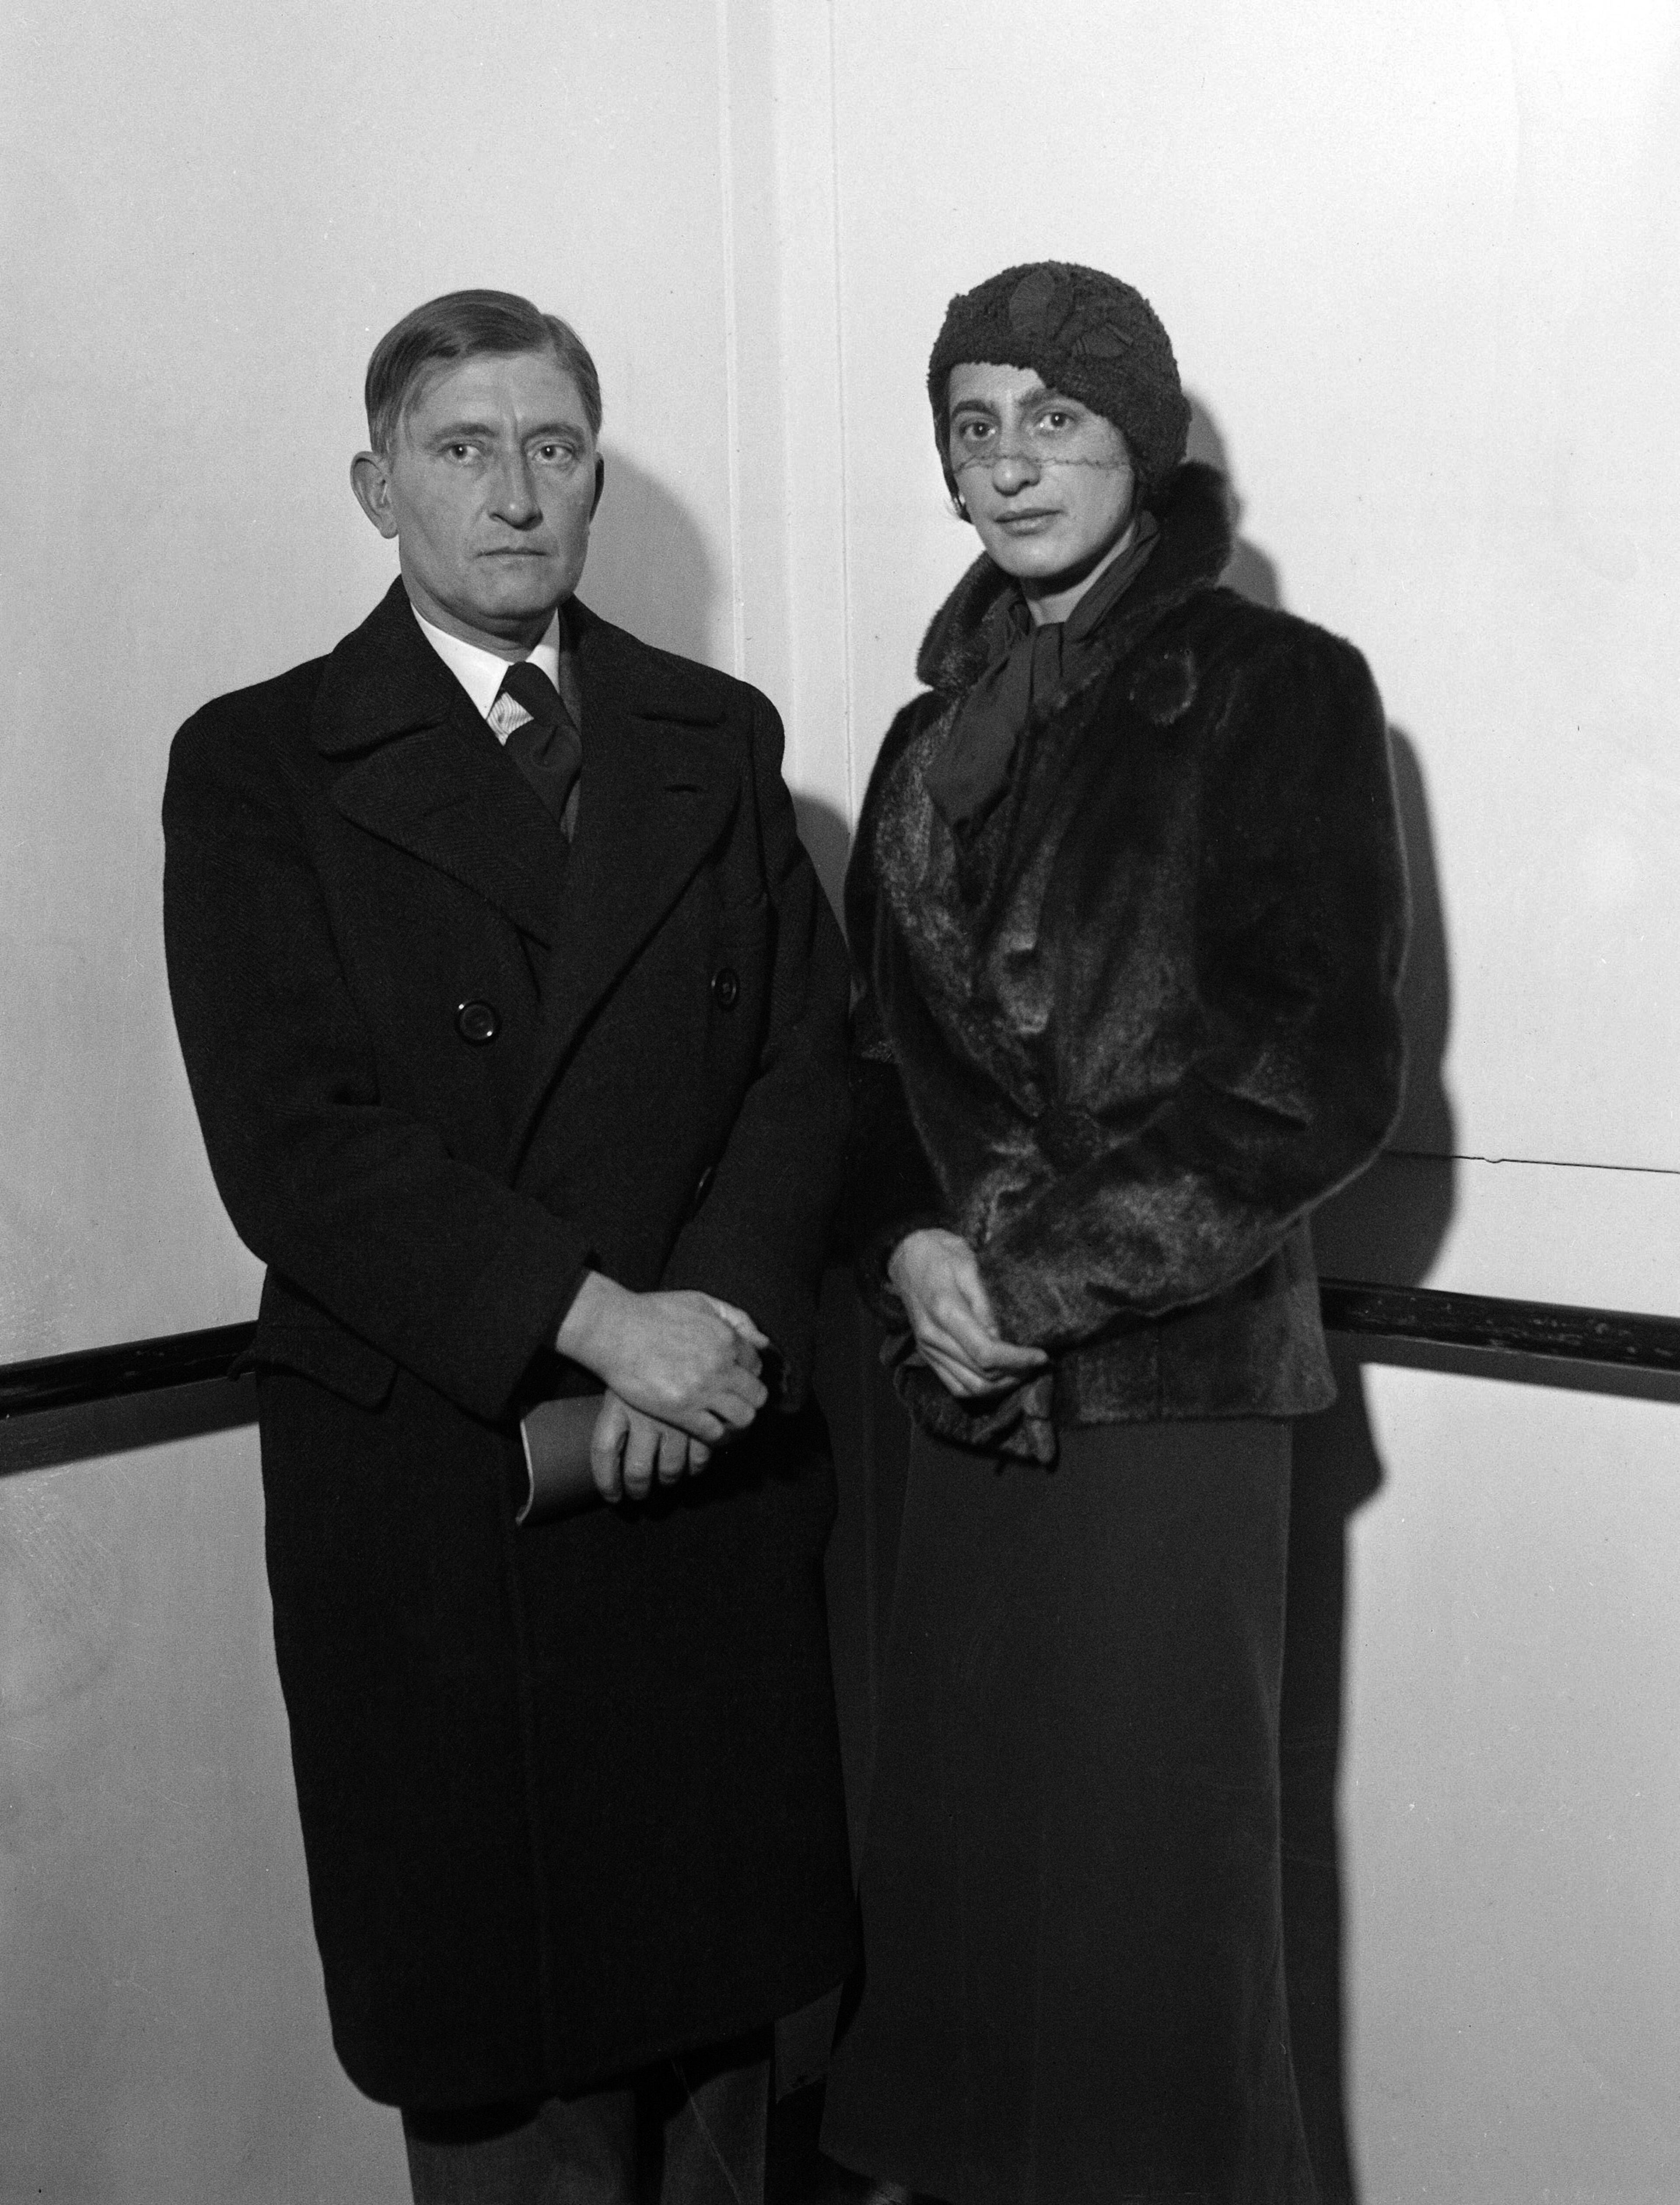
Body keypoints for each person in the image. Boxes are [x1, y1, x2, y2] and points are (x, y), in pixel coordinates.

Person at [162, 289, 855, 2205]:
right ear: (377, 487)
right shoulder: (260, 766)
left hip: (701, 1460)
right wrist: (594, 1321)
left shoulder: (714, 740)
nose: (515, 492)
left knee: (726, 2062)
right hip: (442, 1490)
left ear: (598, 477)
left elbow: (811, 1063)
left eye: (554, 448)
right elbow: (295, 1146)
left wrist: (707, 1324)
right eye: (464, 450)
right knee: (508, 2075)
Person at [818, 262, 1408, 2205]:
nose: (1009, 464)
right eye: (973, 426)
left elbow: (1312, 1078)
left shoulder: (1279, 689)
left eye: (1053, 420)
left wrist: (1028, 1279)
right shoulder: (928, 743)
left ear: (1139, 444)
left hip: (1166, 1393)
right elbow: (870, 1062)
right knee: (976, 1905)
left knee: (1153, 1924)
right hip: (956, 1397)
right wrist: (918, 1254)